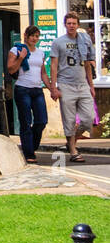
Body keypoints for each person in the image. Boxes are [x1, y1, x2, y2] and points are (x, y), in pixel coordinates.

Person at [50, 13, 98, 163]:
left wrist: (91, 85)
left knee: (88, 119)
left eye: (74, 23)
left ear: (78, 25)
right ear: (65, 25)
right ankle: (73, 150)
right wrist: (53, 87)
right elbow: (54, 65)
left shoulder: (84, 41)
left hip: (82, 84)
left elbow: (88, 64)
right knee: (69, 120)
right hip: (65, 85)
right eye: (69, 23)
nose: (71, 25)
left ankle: (71, 142)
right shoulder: (58, 42)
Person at [6, 25, 53, 163]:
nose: (34, 38)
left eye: (37, 36)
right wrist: (20, 58)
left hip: (37, 90)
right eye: (32, 35)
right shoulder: (16, 50)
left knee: (41, 121)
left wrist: (51, 88)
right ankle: (29, 153)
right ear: (26, 36)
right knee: (26, 122)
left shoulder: (40, 53)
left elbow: (43, 73)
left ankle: (31, 145)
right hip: (22, 89)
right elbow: (10, 69)